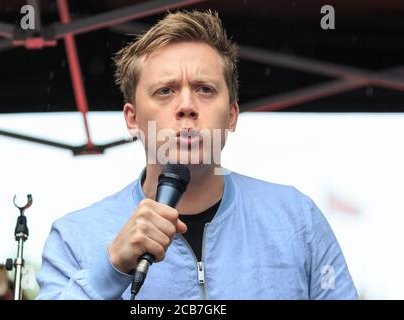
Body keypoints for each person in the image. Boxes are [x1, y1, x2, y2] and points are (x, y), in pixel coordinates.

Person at [36, 10, 357, 300]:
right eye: (165, 91)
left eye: (205, 89)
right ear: (132, 119)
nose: (187, 106)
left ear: (232, 115)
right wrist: (112, 268)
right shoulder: (75, 237)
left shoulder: (296, 220)